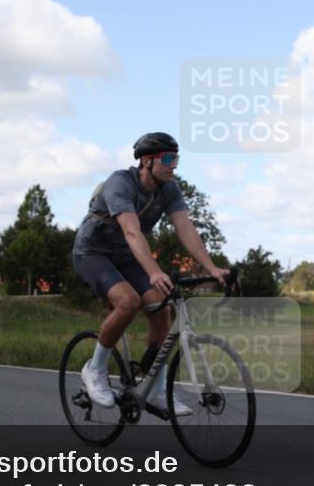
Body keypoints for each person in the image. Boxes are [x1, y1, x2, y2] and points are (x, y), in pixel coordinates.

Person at [72, 132, 228, 415]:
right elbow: (131, 231)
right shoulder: (120, 183)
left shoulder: (169, 189)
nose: (174, 165)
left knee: (162, 306)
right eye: (168, 159)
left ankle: (155, 387)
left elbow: (185, 228)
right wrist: (154, 271)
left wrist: (211, 267)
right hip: (92, 253)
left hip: (126, 256)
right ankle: (94, 369)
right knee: (128, 301)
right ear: (146, 161)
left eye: (176, 158)